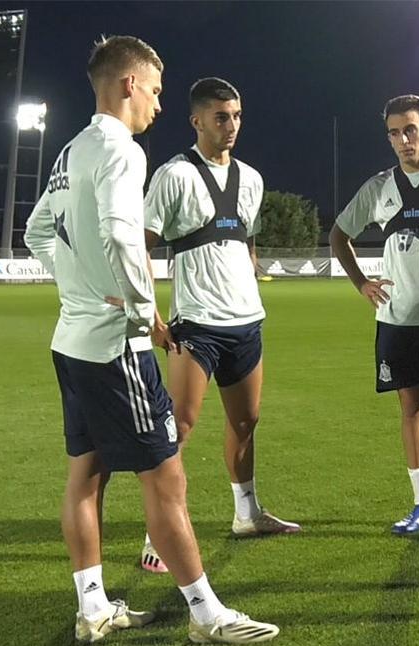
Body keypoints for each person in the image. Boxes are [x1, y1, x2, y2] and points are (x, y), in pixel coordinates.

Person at [24, 36, 278, 644]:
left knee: (85, 478)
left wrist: (80, 289)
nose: (158, 106)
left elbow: (37, 232)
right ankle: (207, 615)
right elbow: (121, 232)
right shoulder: (121, 149)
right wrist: (141, 311)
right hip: (116, 347)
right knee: (167, 481)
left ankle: (93, 610)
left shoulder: (71, 150)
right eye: (156, 91)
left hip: (72, 340)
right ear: (128, 85)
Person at [138, 76, 299, 573]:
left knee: (246, 422)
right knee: (179, 427)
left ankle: (246, 514)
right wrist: (152, 316)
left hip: (246, 322)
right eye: (221, 117)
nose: (231, 126)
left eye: (237, 116)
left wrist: (247, 275)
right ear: (197, 121)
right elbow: (140, 245)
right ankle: (155, 535)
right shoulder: (174, 175)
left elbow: (244, 240)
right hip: (196, 325)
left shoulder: (251, 178)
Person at [329, 94, 419, 536]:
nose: (402, 140)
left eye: (410, 129)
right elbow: (339, 236)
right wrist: (362, 283)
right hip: (396, 322)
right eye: (393, 132)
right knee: (412, 408)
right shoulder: (378, 188)